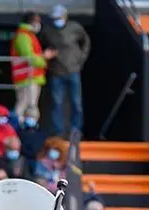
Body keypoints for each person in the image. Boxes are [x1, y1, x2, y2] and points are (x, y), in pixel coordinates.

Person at [41, 5, 89, 137]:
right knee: (57, 103)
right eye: (54, 18)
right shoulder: (48, 31)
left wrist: (81, 58)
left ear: (65, 16)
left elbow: (86, 41)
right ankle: (58, 131)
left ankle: (76, 130)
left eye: (59, 17)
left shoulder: (75, 28)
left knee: (76, 102)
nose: (57, 20)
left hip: (73, 70)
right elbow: (42, 47)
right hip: (56, 71)